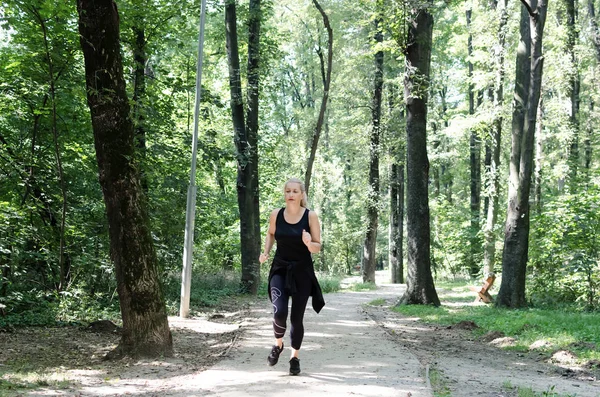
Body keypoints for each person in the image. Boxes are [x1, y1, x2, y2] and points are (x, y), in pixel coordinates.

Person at [259, 178, 325, 376]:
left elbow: (317, 247)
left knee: (296, 319)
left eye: (295, 191)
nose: (291, 194)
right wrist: (266, 252)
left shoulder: (310, 216)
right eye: (288, 191)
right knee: (279, 312)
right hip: (280, 269)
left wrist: (308, 243)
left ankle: (294, 357)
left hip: (302, 272)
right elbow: (271, 234)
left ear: (302, 194)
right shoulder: (276, 214)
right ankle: (278, 345)